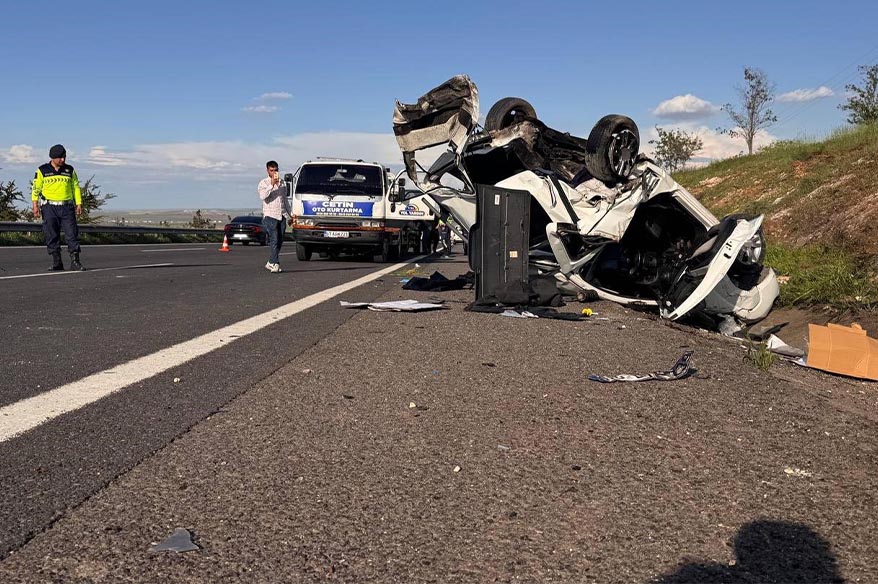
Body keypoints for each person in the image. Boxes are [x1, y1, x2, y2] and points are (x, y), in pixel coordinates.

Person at [31, 144, 85, 271]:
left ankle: (75, 261)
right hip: (49, 207)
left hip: (67, 207)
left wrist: (79, 203)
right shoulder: (42, 170)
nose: (63, 160)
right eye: (60, 158)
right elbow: (36, 189)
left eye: (64, 157)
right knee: (51, 234)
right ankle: (57, 262)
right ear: (53, 158)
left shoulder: (69, 170)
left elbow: (75, 187)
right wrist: (35, 205)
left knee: (71, 234)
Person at [257, 160, 290, 273]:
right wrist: (271, 184)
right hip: (270, 215)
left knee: (280, 240)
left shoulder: (283, 183)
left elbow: (284, 200)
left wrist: (290, 214)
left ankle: (270, 261)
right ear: (268, 171)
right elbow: (263, 196)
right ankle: (275, 263)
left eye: (276, 170)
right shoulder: (263, 183)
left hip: (281, 215)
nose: (274, 172)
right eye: (272, 170)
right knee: (274, 239)